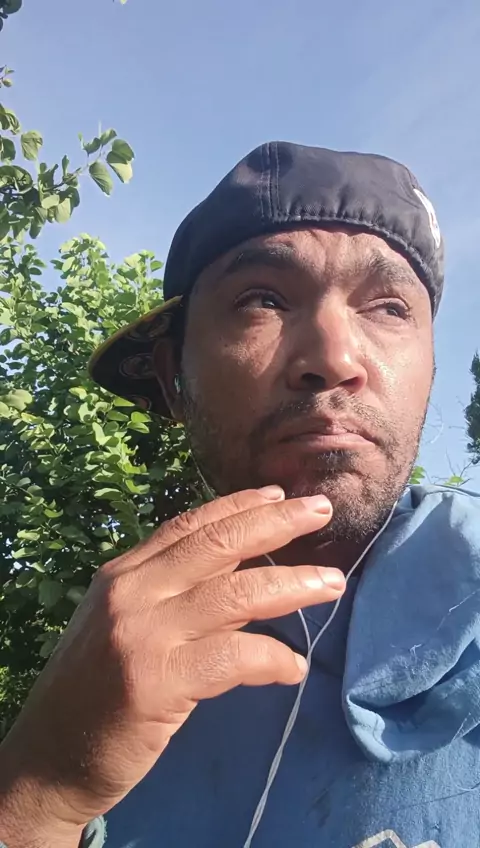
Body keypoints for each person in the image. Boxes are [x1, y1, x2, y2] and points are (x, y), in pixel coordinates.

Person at [1, 141, 479, 848]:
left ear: (430, 373)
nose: (335, 359)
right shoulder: (115, 654)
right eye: (263, 299)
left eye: (387, 307)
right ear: (174, 379)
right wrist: (41, 793)